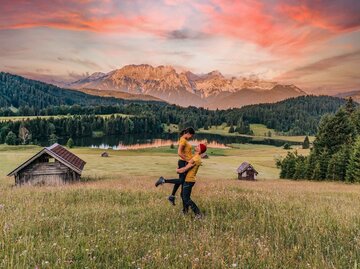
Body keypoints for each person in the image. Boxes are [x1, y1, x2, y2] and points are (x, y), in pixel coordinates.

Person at [156, 143, 207, 218]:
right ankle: (185, 211)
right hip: (189, 180)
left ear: (200, 150)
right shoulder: (196, 157)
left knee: (186, 198)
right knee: (183, 196)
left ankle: (198, 213)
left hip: (189, 180)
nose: (196, 146)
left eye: (198, 146)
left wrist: (178, 170)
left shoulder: (196, 158)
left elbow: (186, 168)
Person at [157, 127, 195, 205]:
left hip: (183, 162)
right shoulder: (183, 141)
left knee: (180, 181)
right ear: (188, 133)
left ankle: (172, 196)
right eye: (191, 135)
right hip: (183, 162)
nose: (191, 137)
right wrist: (188, 161)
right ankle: (163, 180)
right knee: (181, 181)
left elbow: (185, 153)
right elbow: (179, 153)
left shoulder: (183, 140)